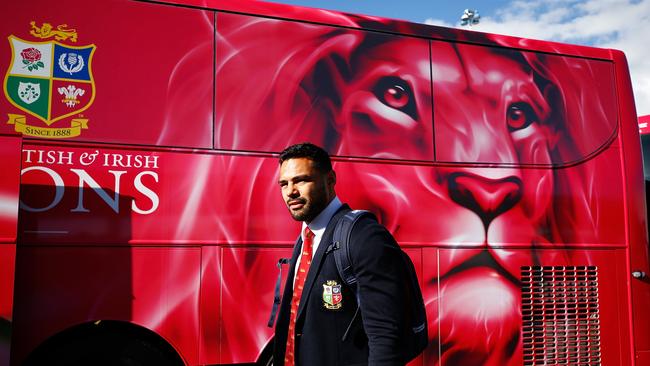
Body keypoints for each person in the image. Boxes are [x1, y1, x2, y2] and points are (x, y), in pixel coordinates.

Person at [273, 142, 409, 366]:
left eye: (301, 180)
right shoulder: (305, 238)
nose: (291, 192)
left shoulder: (365, 236)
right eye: (284, 184)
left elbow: (385, 337)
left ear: (330, 180)